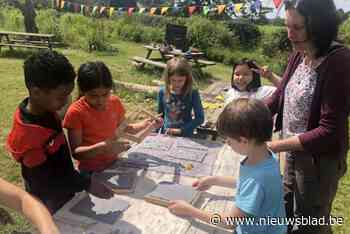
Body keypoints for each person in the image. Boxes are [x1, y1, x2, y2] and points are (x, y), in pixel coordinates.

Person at [265, 0, 350, 233]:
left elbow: (329, 130)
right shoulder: (299, 52)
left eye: (297, 28)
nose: (290, 35)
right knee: (288, 212)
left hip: (319, 161)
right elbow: (281, 93)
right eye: (287, 26)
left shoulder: (339, 61)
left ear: (319, 26)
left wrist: (273, 146)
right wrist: (248, 116)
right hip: (293, 150)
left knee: (310, 223)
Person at [6, 50, 113, 214]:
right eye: (62, 97)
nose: (66, 103)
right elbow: (46, 181)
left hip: (67, 186)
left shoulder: (45, 108)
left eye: (68, 95)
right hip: (49, 201)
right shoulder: (29, 139)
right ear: (36, 92)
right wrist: (86, 183)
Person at [168, 98, 286, 234]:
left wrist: (190, 211)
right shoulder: (267, 156)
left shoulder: (256, 179)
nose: (228, 145)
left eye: (229, 141)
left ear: (243, 140)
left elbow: (230, 222)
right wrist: (215, 180)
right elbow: (247, 184)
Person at [63, 61, 162, 174]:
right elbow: (76, 153)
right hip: (90, 173)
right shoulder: (76, 112)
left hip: (114, 165)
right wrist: (102, 147)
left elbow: (125, 128)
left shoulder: (114, 102)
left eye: (105, 94)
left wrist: (147, 124)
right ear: (82, 90)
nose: (100, 101)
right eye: (93, 96)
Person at [158, 57, 204, 137]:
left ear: (187, 78)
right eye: (173, 80)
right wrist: (156, 127)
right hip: (166, 134)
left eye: (180, 81)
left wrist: (181, 130)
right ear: (168, 78)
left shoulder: (192, 93)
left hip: (185, 136)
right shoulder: (162, 92)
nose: (176, 84)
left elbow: (200, 118)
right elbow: (160, 115)